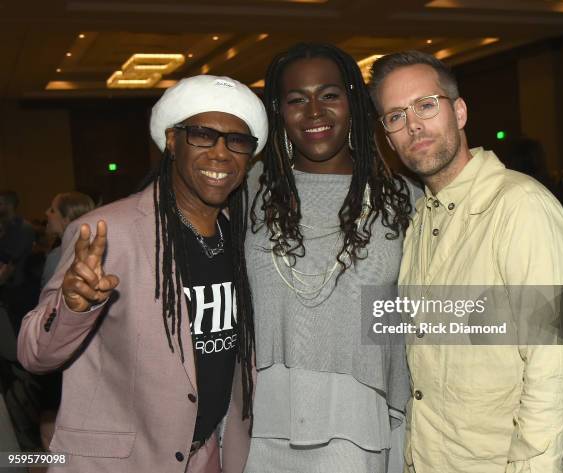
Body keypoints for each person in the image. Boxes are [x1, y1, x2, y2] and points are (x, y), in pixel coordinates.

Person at [17, 74, 267, 473]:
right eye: (203, 135)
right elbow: (34, 354)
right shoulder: (107, 231)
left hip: (209, 457)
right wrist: (72, 307)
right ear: (172, 141)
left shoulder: (243, 241)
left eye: (237, 142)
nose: (221, 153)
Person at [369, 50, 563, 473]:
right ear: (388, 137)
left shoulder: (521, 207)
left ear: (458, 111)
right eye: (395, 116)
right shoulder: (421, 220)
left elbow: (555, 372)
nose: (413, 124)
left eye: (425, 105)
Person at [244, 43, 421, 473]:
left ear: (352, 102)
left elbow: (425, 318)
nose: (314, 111)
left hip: (362, 424)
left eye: (328, 95)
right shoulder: (248, 192)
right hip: (259, 426)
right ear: (279, 112)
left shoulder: (403, 200)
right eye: (296, 99)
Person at [41, 192, 96, 288]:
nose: (46, 212)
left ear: (67, 220)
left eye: (53, 210)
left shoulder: (58, 257)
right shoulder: (92, 251)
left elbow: (48, 300)